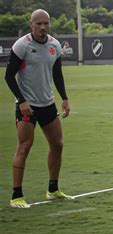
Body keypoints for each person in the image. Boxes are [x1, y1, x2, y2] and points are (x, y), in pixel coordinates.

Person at [4, 9, 72, 209]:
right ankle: (17, 195)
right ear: (31, 24)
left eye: (46, 23)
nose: (43, 27)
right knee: (24, 146)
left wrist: (65, 98)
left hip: (48, 104)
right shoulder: (22, 45)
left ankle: (53, 189)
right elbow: (9, 77)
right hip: (27, 106)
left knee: (57, 144)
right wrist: (21, 101)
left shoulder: (54, 45)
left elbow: (57, 74)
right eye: (38, 23)